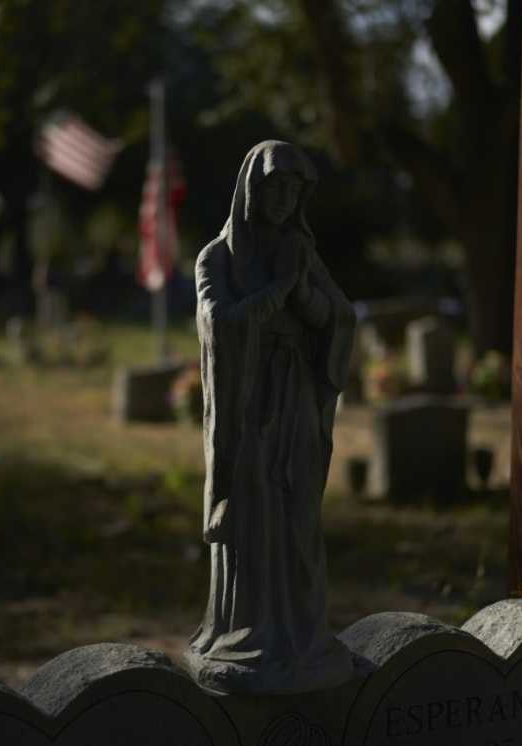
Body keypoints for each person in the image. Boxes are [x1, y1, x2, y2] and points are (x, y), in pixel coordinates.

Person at [186, 140, 355, 694]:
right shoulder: (217, 257)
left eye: (294, 190)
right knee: (254, 512)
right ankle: (246, 631)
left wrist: (302, 293)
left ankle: (300, 633)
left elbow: (339, 316)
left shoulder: (301, 250)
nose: (283, 199)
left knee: (298, 516)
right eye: (274, 187)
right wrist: (276, 292)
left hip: (296, 402)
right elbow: (219, 324)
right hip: (249, 409)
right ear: (250, 189)